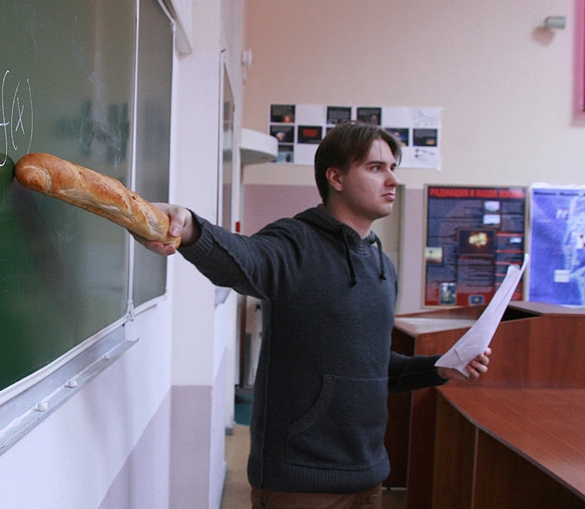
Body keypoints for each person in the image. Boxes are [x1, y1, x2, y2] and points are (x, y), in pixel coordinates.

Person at [138, 121, 491, 509]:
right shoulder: (296, 244)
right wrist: (190, 228)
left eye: (393, 168)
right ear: (335, 178)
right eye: (376, 168)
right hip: (301, 482)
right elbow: (245, 258)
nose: (392, 179)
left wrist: (440, 368)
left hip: (368, 475)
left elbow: (374, 368)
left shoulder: (381, 267)